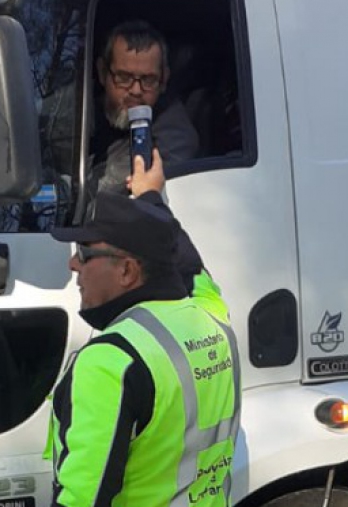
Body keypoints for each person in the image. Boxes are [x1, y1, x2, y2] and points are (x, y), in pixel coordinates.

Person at [48, 150, 239, 507]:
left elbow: (82, 498)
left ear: (127, 271)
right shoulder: (212, 316)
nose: (73, 264)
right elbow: (189, 264)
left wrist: (151, 199)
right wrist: (151, 197)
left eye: (84, 253)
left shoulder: (109, 362)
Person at [89, 19, 199, 199]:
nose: (136, 90)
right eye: (123, 77)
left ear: (163, 80)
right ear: (102, 73)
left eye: (148, 80)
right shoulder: (75, 112)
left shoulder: (174, 139)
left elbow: (108, 196)